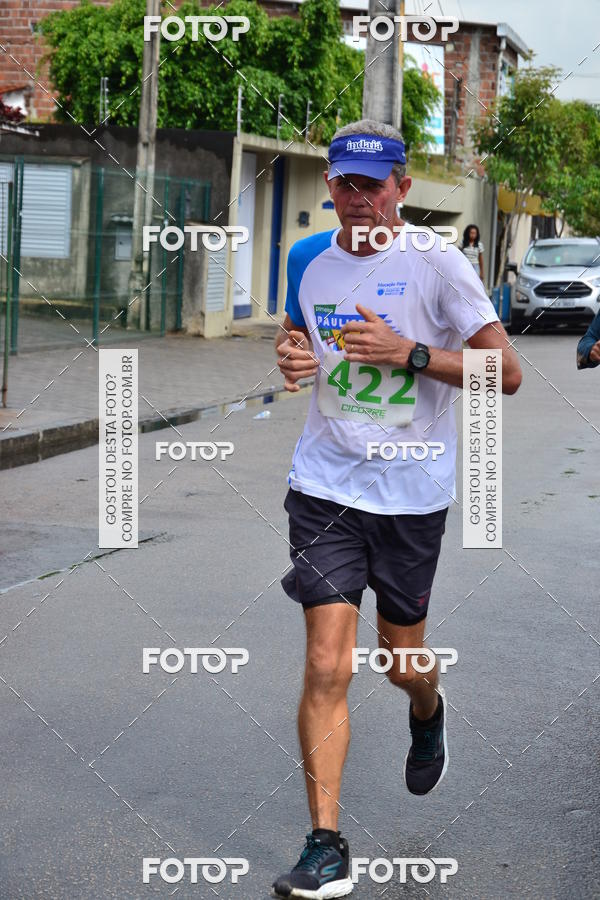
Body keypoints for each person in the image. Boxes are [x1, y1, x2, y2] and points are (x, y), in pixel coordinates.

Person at [272, 119, 522, 900]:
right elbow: (295, 339)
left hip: (411, 496)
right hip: (326, 487)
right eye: (342, 184)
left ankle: (428, 705)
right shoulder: (306, 259)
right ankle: (325, 845)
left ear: (401, 190)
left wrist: (409, 353)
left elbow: (505, 375)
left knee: (398, 662)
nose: (355, 200)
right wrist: (290, 357)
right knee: (325, 661)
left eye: (370, 187)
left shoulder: (440, 265)